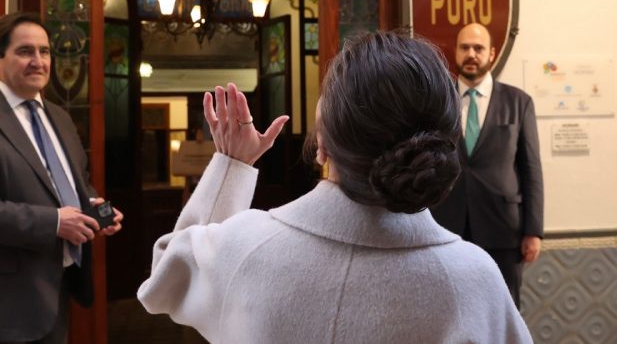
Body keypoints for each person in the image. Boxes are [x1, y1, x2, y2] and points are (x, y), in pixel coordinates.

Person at [137, 32, 531, 343]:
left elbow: (165, 282)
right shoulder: (472, 280)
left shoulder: (246, 247)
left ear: (322, 143)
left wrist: (231, 165)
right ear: (444, 141)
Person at [0, 12, 124, 344]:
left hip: (60, 288)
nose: (38, 61)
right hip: (10, 303)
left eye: (45, 52)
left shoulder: (60, 117)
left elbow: (78, 185)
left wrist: (101, 212)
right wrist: (53, 222)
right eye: (25, 51)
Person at [430, 22, 544, 309]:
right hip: (446, 226)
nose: (471, 54)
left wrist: (534, 231)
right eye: (465, 47)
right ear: (455, 52)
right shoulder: (437, 104)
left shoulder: (519, 102)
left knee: (502, 311)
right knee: (449, 309)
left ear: (491, 53)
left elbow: (531, 171)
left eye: (478, 48)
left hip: (503, 229)